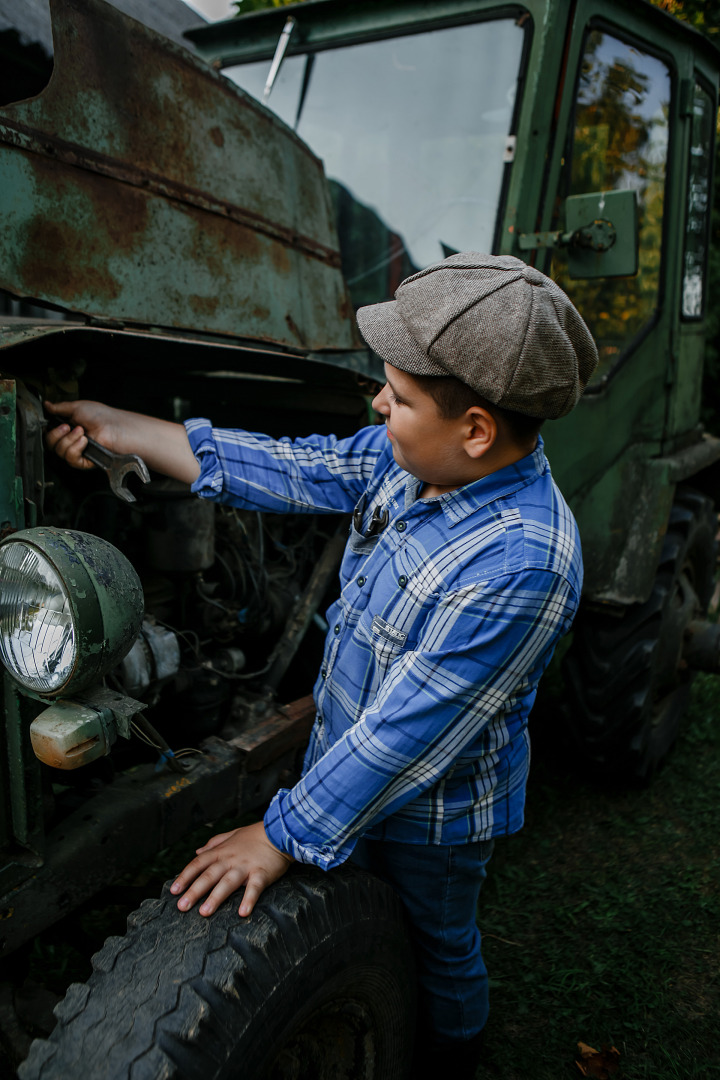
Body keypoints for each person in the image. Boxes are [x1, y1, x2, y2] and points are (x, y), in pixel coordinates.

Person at [46, 253, 597, 1079]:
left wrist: (281, 834)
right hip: (347, 759)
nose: (379, 405)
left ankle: (447, 1057)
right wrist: (127, 430)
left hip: (433, 813)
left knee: (437, 942)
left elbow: (404, 739)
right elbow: (298, 465)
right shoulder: (414, 461)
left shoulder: (522, 563)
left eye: (399, 397)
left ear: (477, 429)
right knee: (358, 898)